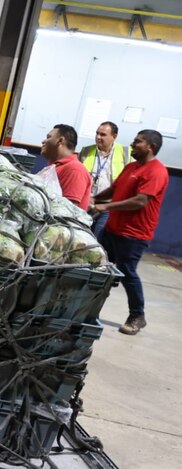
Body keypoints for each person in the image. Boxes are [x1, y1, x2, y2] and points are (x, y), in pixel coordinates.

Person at [91, 130, 169, 336]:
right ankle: (89, 310)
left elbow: (141, 200)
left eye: (138, 142)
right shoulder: (132, 167)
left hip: (134, 234)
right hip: (112, 229)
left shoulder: (156, 171)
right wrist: (93, 199)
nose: (133, 144)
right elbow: (114, 189)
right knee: (102, 269)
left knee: (127, 273)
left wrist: (105, 208)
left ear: (150, 146)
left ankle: (137, 316)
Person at [80, 121, 130, 238]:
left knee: (98, 238)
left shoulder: (126, 153)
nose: (98, 137)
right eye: (97, 133)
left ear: (114, 136)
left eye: (103, 134)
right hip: (87, 203)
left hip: (108, 206)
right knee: (82, 237)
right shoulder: (86, 151)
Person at [39, 124, 91, 210]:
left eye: (48, 137)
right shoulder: (54, 167)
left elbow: (68, 212)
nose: (43, 141)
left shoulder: (75, 169)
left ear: (60, 141)